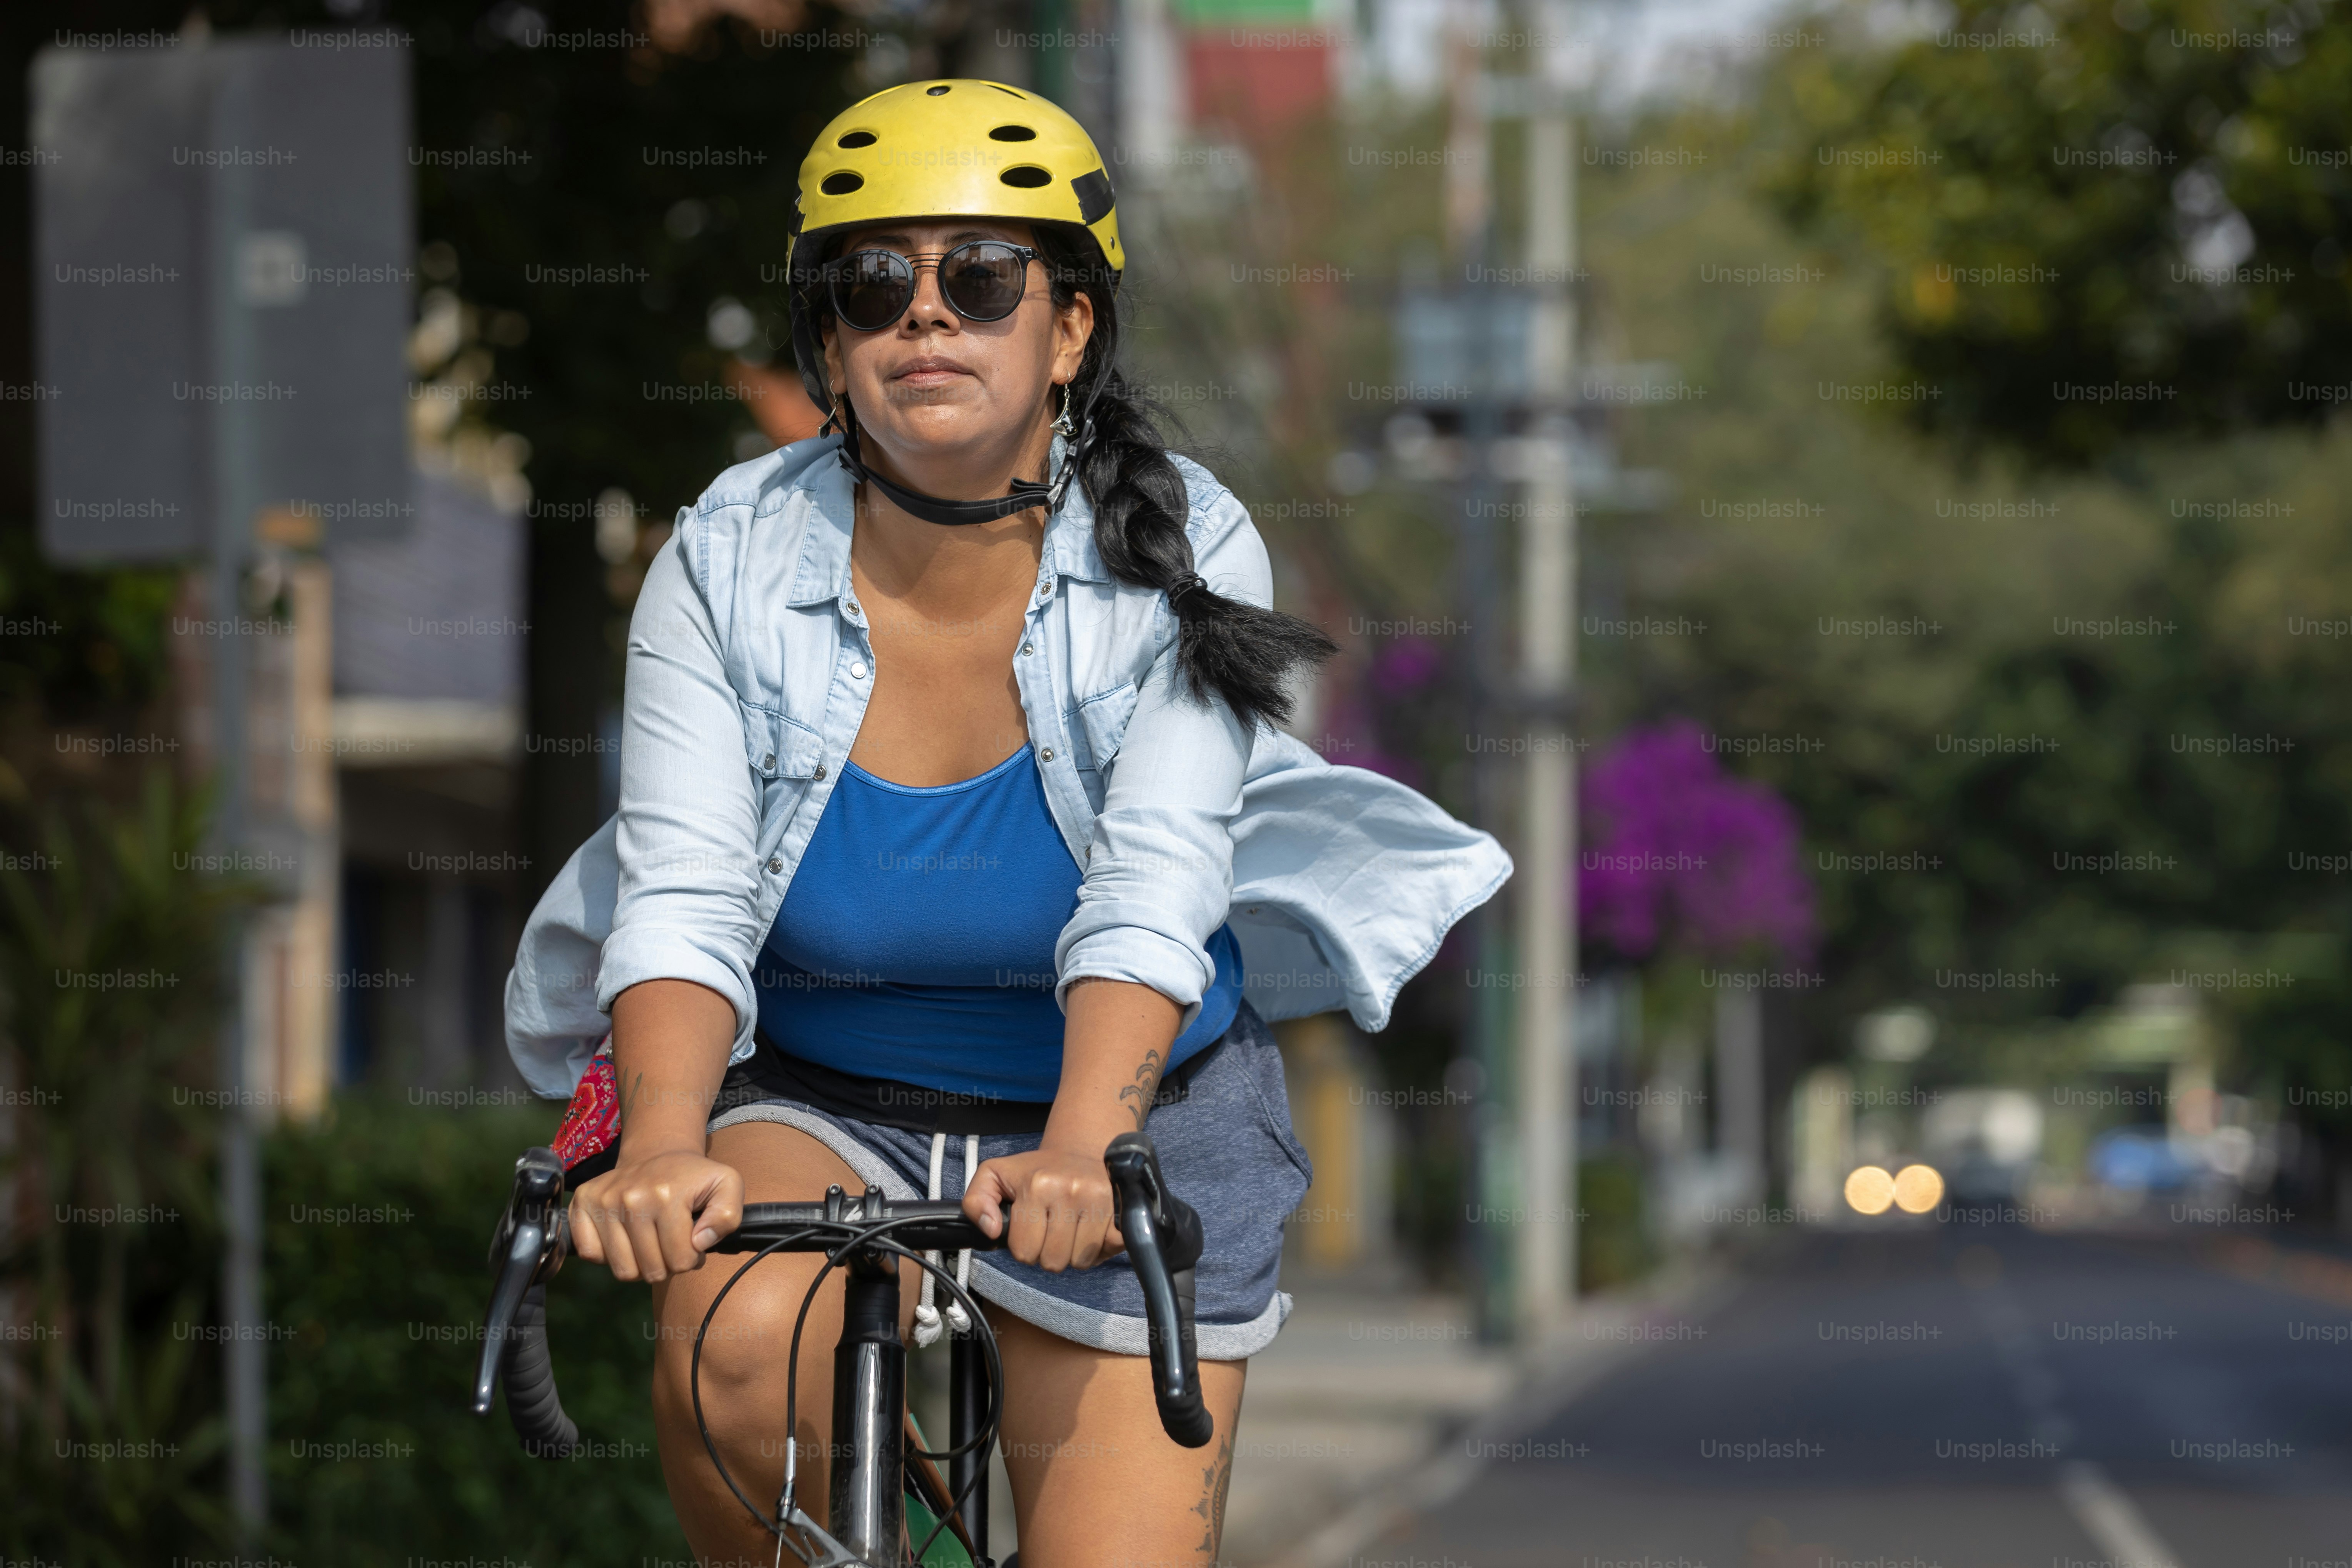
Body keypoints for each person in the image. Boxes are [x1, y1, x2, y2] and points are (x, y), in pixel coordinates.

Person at [502, 79, 1510, 1567]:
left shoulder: (1185, 546)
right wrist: (657, 1146)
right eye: (871, 283)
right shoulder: (723, 555)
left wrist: (1085, 1145)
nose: (925, 315)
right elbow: (685, 892)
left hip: (1127, 1111)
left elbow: (1157, 884)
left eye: (979, 278)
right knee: (731, 1349)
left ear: (1070, 329)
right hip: (823, 1089)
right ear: (828, 345)